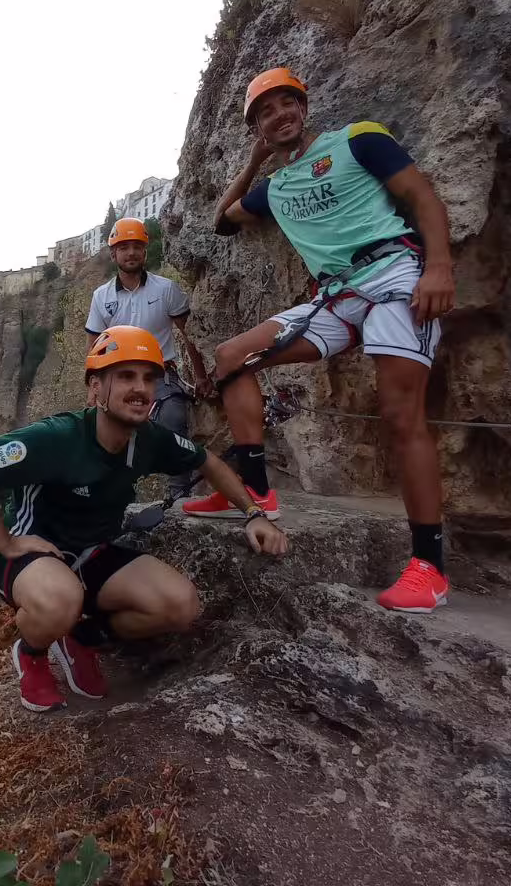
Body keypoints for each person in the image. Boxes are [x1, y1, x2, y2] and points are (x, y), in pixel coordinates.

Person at [183, 67, 456, 614]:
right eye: (265, 111)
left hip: (393, 274)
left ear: (303, 108)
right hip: (335, 296)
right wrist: (257, 162)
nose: (279, 115)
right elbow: (222, 222)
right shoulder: (275, 186)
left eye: (287, 103)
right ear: (258, 126)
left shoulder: (357, 139)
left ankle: (430, 566)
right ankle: (258, 489)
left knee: (402, 417)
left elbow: (420, 195)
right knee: (231, 358)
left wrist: (439, 269)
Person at [0, 325, 288, 713]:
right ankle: (33, 653)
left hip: (93, 554)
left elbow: (207, 461)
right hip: (34, 558)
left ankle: (81, 638)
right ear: (95, 388)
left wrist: (253, 513)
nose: (140, 388)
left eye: (148, 378)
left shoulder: (149, 440)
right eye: (124, 376)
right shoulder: (56, 438)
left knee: (180, 605)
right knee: (61, 599)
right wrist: (5, 542)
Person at [85, 217, 211, 505]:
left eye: (136, 247)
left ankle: (179, 494)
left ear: (145, 251)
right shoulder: (101, 296)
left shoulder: (166, 289)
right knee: (106, 433)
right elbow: (93, 346)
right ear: (114, 253)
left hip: (160, 375)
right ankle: (113, 499)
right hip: (117, 376)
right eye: (124, 247)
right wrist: (92, 389)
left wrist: (201, 376)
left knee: (172, 420)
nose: (130, 253)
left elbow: (189, 334)